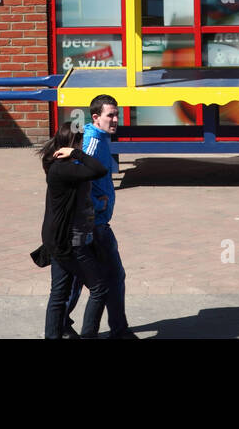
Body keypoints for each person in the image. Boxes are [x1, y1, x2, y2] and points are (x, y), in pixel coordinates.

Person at [68, 94, 138, 338]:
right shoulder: (92, 143)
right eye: (111, 115)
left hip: (94, 223)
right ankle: (119, 330)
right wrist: (98, 203)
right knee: (114, 276)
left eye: (117, 114)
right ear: (96, 117)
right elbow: (76, 179)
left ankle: (61, 324)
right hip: (94, 224)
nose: (115, 119)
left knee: (79, 278)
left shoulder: (101, 138)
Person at [39, 121, 108, 340]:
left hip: (59, 238)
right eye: (80, 141)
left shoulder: (62, 166)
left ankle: (54, 335)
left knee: (59, 294)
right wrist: (77, 152)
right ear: (73, 142)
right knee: (99, 288)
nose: (83, 145)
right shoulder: (65, 167)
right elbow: (99, 169)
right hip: (70, 241)